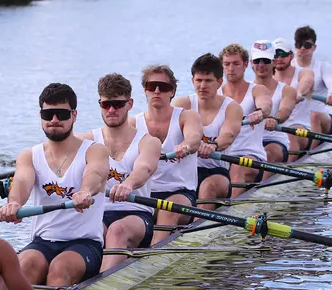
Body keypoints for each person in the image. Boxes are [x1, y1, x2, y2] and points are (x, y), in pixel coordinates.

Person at [0, 83, 109, 286]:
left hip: (84, 243)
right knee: (22, 267)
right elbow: (22, 181)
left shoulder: (95, 151)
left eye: (61, 114)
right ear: (40, 115)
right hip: (43, 242)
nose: (54, 120)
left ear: (74, 115)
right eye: (48, 114)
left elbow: (95, 174)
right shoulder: (29, 155)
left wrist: (85, 191)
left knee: (60, 268)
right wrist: (14, 203)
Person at [76, 73, 162, 271]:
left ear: (130, 103)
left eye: (117, 104)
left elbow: (144, 168)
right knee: (87, 230)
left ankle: (101, 288)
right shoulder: (85, 141)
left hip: (136, 213)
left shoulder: (149, 142)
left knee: (116, 231)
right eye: (106, 105)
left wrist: (128, 184)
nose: (111, 110)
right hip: (98, 214)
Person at [130, 65, 203, 245]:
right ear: (144, 90)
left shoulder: (187, 117)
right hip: (144, 194)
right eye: (151, 86)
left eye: (162, 87)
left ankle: (151, 258)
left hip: (180, 193)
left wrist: (185, 145)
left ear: (172, 91)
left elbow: (194, 138)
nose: (156, 91)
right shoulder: (132, 123)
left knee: (167, 213)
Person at [172, 53, 246, 210]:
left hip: (216, 171)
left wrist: (213, 145)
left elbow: (228, 135)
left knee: (208, 187)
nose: (202, 86)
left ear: (219, 82)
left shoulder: (232, 108)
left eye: (208, 81)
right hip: (185, 172)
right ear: (192, 81)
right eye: (198, 80)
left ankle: (198, 230)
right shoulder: (182, 104)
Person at [218, 43, 272, 197]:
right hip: (220, 156)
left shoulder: (257, 90)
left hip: (250, 156)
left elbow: (266, 104)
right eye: (226, 64)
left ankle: (229, 212)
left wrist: (260, 113)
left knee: (237, 169)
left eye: (236, 64)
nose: (231, 68)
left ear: (246, 65)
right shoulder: (215, 94)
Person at [250, 39, 298, 167]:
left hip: (274, 140)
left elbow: (285, 110)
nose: (261, 65)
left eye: (265, 61)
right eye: (257, 61)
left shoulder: (287, 90)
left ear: (274, 62)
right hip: (247, 143)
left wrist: (275, 119)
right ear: (250, 63)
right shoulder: (243, 89)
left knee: (268, 154)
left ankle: (260, 186)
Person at [293, 25, 332, 146]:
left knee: (314, 115)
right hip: (296, 120)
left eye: (307, 45)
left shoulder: (323, 67)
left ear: (314, 47)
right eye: (299, 45)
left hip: (320, 118)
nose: (302, 48)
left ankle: (312, 154)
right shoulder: (288, 68)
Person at [273, 37, 315, 154]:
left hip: (300, 129)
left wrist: (298, 92)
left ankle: (286, 169)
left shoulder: (304, 72)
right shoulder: (267, 80)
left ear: (291, 56)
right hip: (273, 128)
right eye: (275, 55)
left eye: (283, 55)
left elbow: (307, 81)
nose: (279, 59)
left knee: (289, 135)